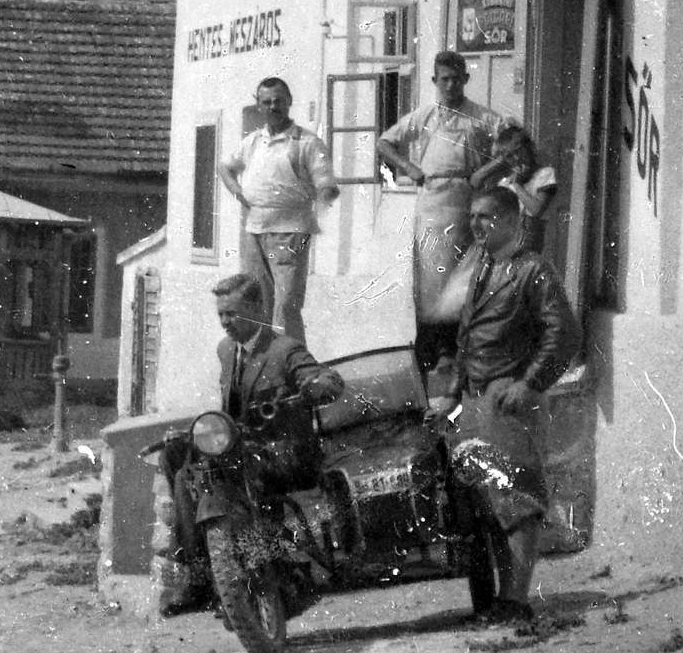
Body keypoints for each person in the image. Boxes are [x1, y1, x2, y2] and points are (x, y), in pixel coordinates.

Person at [428, 187, 579, 621]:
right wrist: (453, 395)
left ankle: (515, 600)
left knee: (516, 502)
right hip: (478, 401)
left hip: (510, 401)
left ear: (514, 221)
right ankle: (499, 598)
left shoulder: (533, 271)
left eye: (488, 217)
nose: (477, 224)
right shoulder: (482, 269)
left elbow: (563, 333)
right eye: (473, 216)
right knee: (488, 501)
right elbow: (466, 340)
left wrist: (530, 385)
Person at [160, 273, 345, 611]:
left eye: (232, 313)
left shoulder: (283, 348)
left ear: (257, 309)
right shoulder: (226, 350)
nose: (225, 322)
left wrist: (317, 385)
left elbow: (327, 379)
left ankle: (216, 577)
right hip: (245, 451)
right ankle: (199, 573)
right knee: (178, 462)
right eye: (221, 315)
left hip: (283, 456)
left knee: (202, 478)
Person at [374, 51, 497, 376]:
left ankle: (456, 354)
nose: (451, 84)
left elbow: (516, 143)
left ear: (466, 79)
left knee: (461, 279)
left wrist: (486, 173)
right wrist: (410, 168)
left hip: (465, 202)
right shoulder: (424, 116)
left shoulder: (481, 117)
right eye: (445, 79)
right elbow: (385, 143)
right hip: (431, 202)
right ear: (435, 81)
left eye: (457, 78)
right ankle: (427, 354)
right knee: (429, 279)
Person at [217, 77, 339, 342]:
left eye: (279, 101)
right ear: (259, 106)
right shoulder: (252, 142)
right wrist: (238, 192)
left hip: (290, 234)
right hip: (255, 231)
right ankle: (262, 370)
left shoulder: (306, 142)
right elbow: (225, 167)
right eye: (267, 102)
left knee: (286, 308)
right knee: (256, 305)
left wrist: (320, 205)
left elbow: (327, 185)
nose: (273, 107)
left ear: (289, 102)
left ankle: (294, 370)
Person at [470, 122, 558, 254]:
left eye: (519, 151)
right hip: (507, 245)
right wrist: (499, 162)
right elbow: (475, 181)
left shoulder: (544, 174)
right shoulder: (505, 181)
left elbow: (536, 210)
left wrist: (517, 185)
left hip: (533, 245)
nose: (516, 158)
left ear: (528, 147)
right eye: (509, 156)